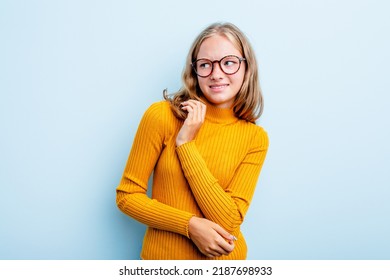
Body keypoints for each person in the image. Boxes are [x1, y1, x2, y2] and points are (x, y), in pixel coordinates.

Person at [116, 22, 269, 260]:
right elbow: (127, 196)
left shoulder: (255, 138)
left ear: (246, 69)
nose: (216, 74)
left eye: (228, 62)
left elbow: (228, 220)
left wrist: (185, 145)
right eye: (205, 65)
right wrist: (190, 225)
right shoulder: (162, 116)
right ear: (194, 71)